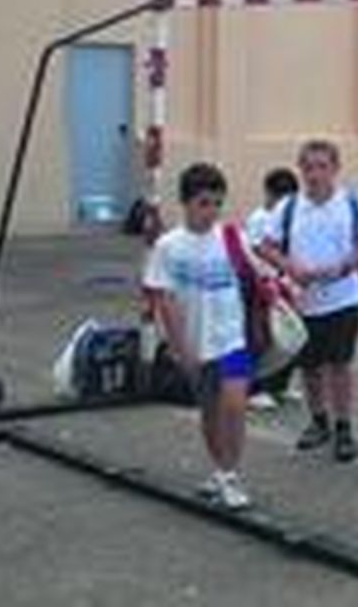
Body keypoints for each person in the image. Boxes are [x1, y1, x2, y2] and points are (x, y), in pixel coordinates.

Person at [142, 163, 254, 510]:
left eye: (218, 203)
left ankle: (230, 473)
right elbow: (164, 298)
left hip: (232, 339)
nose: (212, 211)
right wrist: (181, 349)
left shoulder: (232, 237)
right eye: (204, 203)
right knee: (210, 412)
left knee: (235, 405)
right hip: (196, 344)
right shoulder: (169, 247)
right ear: (186, 203)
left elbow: (255, 277)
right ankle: (219, 471)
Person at [259, 140, 358, 462]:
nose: (314, 174)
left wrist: (342, 267)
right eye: (308, 167)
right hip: (303, 301)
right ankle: (318, 422)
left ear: (335, 169)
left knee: (340, 366)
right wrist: (291, 268)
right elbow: (266, 246)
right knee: (309, 367)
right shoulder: (289, 207)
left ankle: (343, 427)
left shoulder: (352, 203)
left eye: (322, 166)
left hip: (344, 299)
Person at [244, 167, 299, 410]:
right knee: (261, 339)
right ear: (269, 195)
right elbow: (257, 253)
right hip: (263, 285)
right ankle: (253, 388)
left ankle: (279, 384)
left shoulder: (290, 217)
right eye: (278, 198)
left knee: (290, 337)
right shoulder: (260, 219)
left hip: (286, 284)